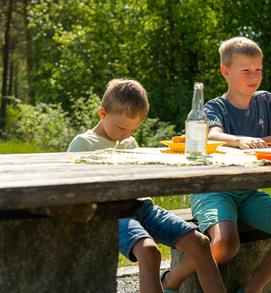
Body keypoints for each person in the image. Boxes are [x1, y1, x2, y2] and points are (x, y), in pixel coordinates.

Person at [67, 79, 224, 293]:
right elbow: (73, 189)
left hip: (142, 207)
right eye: (121, 127)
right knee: (149, 251)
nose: (125, 135)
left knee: (201, 243)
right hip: (109, 213)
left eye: (132, 130)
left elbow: (142, 177)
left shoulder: (129, 143)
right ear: (102, 114)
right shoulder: (84, 143)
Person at [189, 37, 271, 293]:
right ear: (226, 72)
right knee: (226, 244)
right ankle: (174, 277)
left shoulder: (265, 101)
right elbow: (211, 135)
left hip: (248, 193)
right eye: (246, 71)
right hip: (213, 190)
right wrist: (241, 140)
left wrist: (262, 141)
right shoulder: (215, 107)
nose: (254, 76)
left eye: (258, 70)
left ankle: (253, 289)